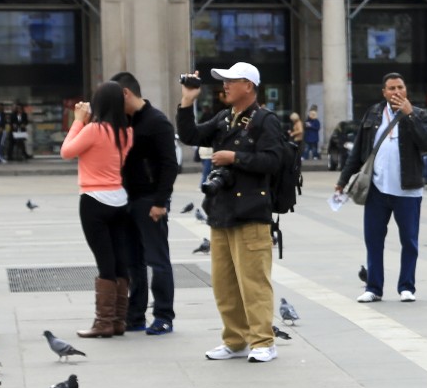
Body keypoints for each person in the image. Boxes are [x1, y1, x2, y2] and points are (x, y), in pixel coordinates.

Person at [178, 63, 287, 361]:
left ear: (248, 86)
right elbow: (190, 134)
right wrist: (188, 99)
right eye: (223, 81)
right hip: (221, 211)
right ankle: (235, 339)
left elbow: (273, 161)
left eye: (230, 81)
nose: (224, 86)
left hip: (251, 212)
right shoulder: (225, 118)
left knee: (253, 283)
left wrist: (234, 157)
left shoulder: (265, 121)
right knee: (225, 284)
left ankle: (264, 342)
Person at [342, 71, 427, 303]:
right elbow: (358, 151)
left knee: (409, 241)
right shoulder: (374, 114)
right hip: (376, 189)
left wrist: (410, 116)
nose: (397, 92)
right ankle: (373, 287)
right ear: (384, 92)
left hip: (408, 190)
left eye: (400, 87)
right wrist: (342, 180)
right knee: (373, 240)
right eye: (392, 88)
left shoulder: (419, 113)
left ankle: (407, 286)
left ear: (406, 90)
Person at [60, 81, 135, 340]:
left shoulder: (94, 129)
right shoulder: (127, 132)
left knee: (104, 262)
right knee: (119, 259)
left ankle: (103, 323)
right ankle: (118, 320)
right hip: (119, 198)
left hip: (93, 199)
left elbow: (67, 151)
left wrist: (78, 120)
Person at [110, 73, 180, 336]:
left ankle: (164, 316)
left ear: (126, 93)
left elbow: (170, 165)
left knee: (157, 260)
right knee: (133, 261)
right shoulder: (122, 122)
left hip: (150, 200)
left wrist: (161, 201)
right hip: (126, 200)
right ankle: (135, 315)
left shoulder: (157, 122)